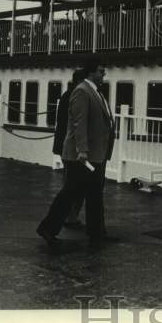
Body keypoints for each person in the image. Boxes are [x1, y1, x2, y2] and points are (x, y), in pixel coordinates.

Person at [37, 59, 116, 251]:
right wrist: (82, 150)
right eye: (100, 71)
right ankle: (48, 228)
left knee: (94, 193)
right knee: (71, 192)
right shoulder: (82, 91)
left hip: (95, 154)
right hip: (81, 156)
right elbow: (79, 124)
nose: (103, 75)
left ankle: (96, 232)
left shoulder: (96, 92)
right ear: (90, 73)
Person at [52, 67, 88, 229]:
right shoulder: (77, 95)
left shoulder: (67, 95)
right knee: (76, 184)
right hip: (73, 147)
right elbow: (77, 124)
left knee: (71, 182)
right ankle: (69, 217)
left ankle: (68, 216)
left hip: (65, 145)